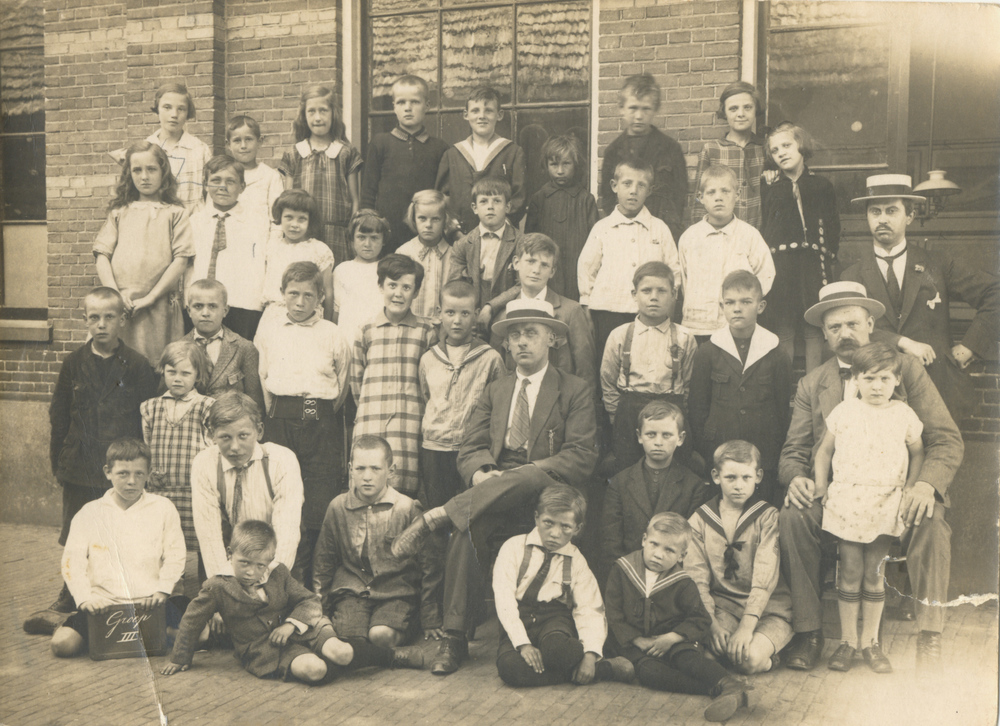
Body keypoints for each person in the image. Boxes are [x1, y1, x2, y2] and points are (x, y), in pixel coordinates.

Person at [392, 299, 598, 675]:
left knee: (528, 476)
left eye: (531, 333)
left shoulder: (573, 389)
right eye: (514, 335)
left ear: (551, 339)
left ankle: (438, 514)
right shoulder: (497, 390)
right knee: (466, 528)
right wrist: (481, 473)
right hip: (496, 494)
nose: (522, 342)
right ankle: (455, 639)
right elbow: (470, 447)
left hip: (548, 493)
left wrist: (527, 472)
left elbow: (581, 455)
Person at [778, 281, 963, 670]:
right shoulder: (814, 383)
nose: (844, 334)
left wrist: (924, 485)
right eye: (834, 327)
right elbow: (796, 449)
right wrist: (797, 477)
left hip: (897, 491)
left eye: (852, 324)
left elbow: (945, 439)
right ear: (824, 334)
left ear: (871, 325)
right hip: (837, 494)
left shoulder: (905, 370)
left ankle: (929, 634)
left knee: (930, 519)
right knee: (794, 516)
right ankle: (809, 632)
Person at [23, 287, 158, 636]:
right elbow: (59, 416)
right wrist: (59, 463)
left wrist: (141, 469)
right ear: (85, 320)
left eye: (109, 317)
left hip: (120, 469)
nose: (101, 324)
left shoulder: (138, 365)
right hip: (80, 466)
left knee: (119, 531)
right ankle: (70, 593)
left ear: (122, 320)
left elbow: (148, 421)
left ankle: (117, 594)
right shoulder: (73, 363)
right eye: (94, 317)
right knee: (76, 533)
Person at [162, 520, 425, 681]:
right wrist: (179, 657)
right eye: (244, 563)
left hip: (304, 629)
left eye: (260, 565)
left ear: (270, 559)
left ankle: (391, 656)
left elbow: (310, 601)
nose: (252, 572)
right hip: (263, 649)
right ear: (230, 553)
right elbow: (192, 620)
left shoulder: (278, 573)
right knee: (315, 671)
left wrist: (290, 624)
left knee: (342, 652)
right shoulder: (217, 586)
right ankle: (337, 659)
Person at [841, 173, 1000, 424]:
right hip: (878, 394)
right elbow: (851, 330)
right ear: (867, 217)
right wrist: (902, 342)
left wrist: (970, 346)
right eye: (875, 211)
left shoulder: (938, 263)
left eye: (892, 211)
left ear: (910, 216)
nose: (882, 219)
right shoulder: (852, 276)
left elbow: (995, 293)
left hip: (937, 386)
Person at [814, 342, 925, 674]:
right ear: (856, 379)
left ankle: (870, 643)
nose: (877, 386)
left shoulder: (903, 414)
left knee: (875, 575)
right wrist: (821, 485)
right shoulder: (845, 411)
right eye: (869, 378)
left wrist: (910, 487)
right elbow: (824, 452)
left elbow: (918, 452)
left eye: (885, 379)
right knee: (849, 572)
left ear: (897, 380)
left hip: (885, 500)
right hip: (848, 500)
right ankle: (847, 641)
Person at [604, 512, 756, 722]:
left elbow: (700, 618)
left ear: (682, 555)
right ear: (644, 540)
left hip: (674, 638)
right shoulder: (622, 570)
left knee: (688, 659)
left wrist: (672, 637)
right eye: (654, 544)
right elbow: (613, 612)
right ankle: (721, 691)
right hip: (636, 643)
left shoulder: (683, 582)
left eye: (669, 550)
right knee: (650, 674)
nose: (658, 554)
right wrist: (637, 640)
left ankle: (728, 683)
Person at [255, 261, 352, 589]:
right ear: (282, 294)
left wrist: (317, 413)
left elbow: (342, 382)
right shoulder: (269, 331)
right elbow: (264, 378)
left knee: (318, 504)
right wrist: (283, 413)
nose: (299, 302)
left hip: (320, 424)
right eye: (293, 294)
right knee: (280, 499)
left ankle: (314, 586)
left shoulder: (332, 333)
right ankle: (281, 582)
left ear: (320, 297)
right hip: (280, 421)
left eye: (308, 295)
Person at [51, 438, 186, 658]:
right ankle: (117, 633)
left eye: (139, 474)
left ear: (148, 474)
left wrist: (162, 590)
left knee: (198, 637)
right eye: (123, 473)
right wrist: (86, 599)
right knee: (62, 645)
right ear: (108, 472)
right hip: (105, 605)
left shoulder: (163, 508)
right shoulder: (89, 512)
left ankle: (149, 633)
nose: (131, 481)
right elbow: (72, 562)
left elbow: (176, 555)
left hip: (151, 603)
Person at [493, 483, 633, 687]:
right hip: (519, 618)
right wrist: (523, 644)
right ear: (536, 518)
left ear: (577, 529)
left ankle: (585, 666)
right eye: (548, 523)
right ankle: (602, 670)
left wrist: (590, 655)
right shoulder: (513, 548)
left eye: (565, 527)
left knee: (563, 651)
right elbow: (504, 599)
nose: (555, 533)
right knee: (510, 668)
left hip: (554, 620)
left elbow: (589, 608)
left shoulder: (576, 560)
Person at [313, 436, 443, 648]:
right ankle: (386, 656)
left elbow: (429, 565)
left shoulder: (406, 508)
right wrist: (321, 611)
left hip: (396, 593)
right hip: (352, 593)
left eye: (375, 469)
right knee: (349, 640)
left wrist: (430, 616)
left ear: (391, 471)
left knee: (380, 636)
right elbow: (323, 563)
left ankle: (404, 636)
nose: (367, 477)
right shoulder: (337, 507)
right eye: (360, 468)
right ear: (350, 469)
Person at [686, 441, 793, 676]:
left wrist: (746, 628)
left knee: (748, 660)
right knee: (706, 656)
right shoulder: (700, 520)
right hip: (723, 607)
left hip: (769, 610)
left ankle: (772, 656)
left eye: (746, 477)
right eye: (730, 478)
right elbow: (697, 578)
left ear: (758, 476)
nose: (738, 486)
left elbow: (765, 577)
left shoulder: (767, 517)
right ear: (716, 476)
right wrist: (712, 624)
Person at [688, 270, 791, 506]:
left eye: (746, 302)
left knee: (761, 507)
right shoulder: (708, 351)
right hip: (719, 447)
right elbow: (697, 407)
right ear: (721, 306)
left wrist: (773, 451)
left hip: (763, 450)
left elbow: (781, 408)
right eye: (730, 302)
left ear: (760, 306)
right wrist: (707, 448)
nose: (737, 308)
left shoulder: (776, 353)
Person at [94, 140, 195, 364]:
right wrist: (115, 295)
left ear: (163, 172)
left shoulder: (175, 213)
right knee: (115, 362)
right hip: (122, 303)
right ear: (129, 174)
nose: (144, 177)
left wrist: (151, 297)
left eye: (151, 169)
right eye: (137, 170)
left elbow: (181, 260)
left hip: (158, 304)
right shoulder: (119, 212)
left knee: (155, 364)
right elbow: (102, 256)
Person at [190, 392, 304, 579]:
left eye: (243, 436)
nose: (235, 447)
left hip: (276, 560)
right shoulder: (204, 463)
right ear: (212, 435)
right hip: (227, 558)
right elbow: (209, 535)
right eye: (225, 437)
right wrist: (227, 584)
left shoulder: (282, 460)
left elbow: (287, 533)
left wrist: (267, 581)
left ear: (259, 431)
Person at [352, 254, 437, 498]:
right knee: (367, 485)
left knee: (403, 490)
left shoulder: (427, 332)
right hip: (371, 421)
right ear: (381, 286)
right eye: (392, 285)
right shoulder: (366, 330)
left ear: (416, 292)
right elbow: (356, 381)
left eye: (406, 287)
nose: (398, 293)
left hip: (408, 425)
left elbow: (430, 383)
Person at [759, 122, 840, 373]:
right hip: (782, 267)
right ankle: (783, 386)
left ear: (801, 146)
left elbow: (833, 226)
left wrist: (826, 255)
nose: (781, 153)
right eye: (775, 150)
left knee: (813, 325)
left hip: (813, 267)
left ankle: (813, 383)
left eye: (786, 145)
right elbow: (765, 224)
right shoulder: (770, 186)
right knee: (784, 326)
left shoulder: (821, 185)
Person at [600, 262, 696, 474]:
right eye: (646, 291)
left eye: (661, 291)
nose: (654, 297)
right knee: (628, 471)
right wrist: (618, 417)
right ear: (634, 294)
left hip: (671, 410)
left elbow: (689, 384)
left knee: (675, 470)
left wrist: (680, 416)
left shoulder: (685, 337)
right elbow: (608, 381)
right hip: (629, 413)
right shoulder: (620, 335)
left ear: (674, 294)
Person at [418, 280, 506, 510]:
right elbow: (426, 397)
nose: (457, 320)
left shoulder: (490, 358)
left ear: (476, 314)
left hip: (473, 450)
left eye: (465, 313)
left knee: (470, 512)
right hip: (434, 449)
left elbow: (499, 407)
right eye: (450, 312)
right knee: (438, 511)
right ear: (439, 313)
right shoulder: (429, 358)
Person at [580, 160, 681, 356]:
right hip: (607, 311)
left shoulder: (659, 228)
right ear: (614, 186)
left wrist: (668, 307)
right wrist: (586, 306)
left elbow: (673, 271)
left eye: (641, 185)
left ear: (649, 190)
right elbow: (586, 269)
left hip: (649, 313)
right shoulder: (603, 228)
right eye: (627, 184)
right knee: (610, 361)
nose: (633, 191)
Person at [601, 401, 713, 577]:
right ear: (639, 436)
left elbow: (691, 545)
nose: (658, 442)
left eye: (667, 435)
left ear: (680, 438)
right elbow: (611, 543)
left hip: (673, 577)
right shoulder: (619, 483)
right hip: (628, 574)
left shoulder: (693, 486)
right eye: (651, 434)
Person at [141, 340, 215, 596]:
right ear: (162, 371)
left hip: (194, 492)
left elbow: (213, 448)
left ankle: (210, 593)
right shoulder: (150, 407)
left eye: (186, 373)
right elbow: (148, 445)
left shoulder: (206, 407)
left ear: (198, 375)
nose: (177, 378)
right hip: (162, 491)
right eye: (171, 372)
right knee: (166, 543)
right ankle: (171, 593)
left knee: (205, 543)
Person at [489, 233, 597, 395]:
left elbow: (586, 371)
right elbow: (497, 373)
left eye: (544, 265)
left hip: (560, 400)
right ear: (516, 263)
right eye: (531, 261)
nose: (536, 270)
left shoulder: (571, 311)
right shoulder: (504, 316)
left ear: (552, 271)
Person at [678, 165, 774, 339]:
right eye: (711, 192)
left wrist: (745, 305)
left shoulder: (749, 235)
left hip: (736, 328)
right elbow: (684, 280)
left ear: (737, 195)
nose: (718, 197)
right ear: (701, 197)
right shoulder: (690, 237)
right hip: (697, 326)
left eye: (725, 191)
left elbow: (765, 275)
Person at [361, 75, 449, 255]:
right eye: (401, 102)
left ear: (427, 105)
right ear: (394, 106)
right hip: (387, 231)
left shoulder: (439, 148)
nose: (408, 108)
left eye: (415, 102)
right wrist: (369, 225)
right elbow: (368, 191)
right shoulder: (380, 143)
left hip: (425, 231)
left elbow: (443, 194)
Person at [279, 85, 362, 265]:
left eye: (323, 110)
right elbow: (287, 200)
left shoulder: (345, 152)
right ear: (304, 115)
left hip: (337, 235)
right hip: (303, 234)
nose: (318, 117)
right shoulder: (295, 153)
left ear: (333, 113)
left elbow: (355, 200)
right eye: (311, 111)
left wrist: (352, 233)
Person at [599, 73, 687, 240]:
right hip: (625, 234)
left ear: (655, 109)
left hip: (662, 232)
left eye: (646, 109)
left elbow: (679, 197)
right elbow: (608, 199)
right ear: (622, 109)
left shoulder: (670, 149)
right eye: (633, 108)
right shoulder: (613, 152)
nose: (639, 116)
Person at [187, 155, 266, 340]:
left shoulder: (257, 222)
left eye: (230, 181)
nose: (222, 186)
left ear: (242, 187)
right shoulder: (194, 222)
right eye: (216, 180)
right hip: (202, 306)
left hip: (242, 304)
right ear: (205, 185)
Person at [435, 85, 526, 234]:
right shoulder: (452, 155)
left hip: (500, 234)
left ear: (499, 115)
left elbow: (519, 197)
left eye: (488, 110)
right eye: (475, 110)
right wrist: (454, 230)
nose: (481, 116)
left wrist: (500, 228)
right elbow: (442, 197)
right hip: (460, 235)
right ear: (466, 115)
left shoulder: (513, 152)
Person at [111, 82, 212, 211]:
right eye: (167, 107)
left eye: (181, 109)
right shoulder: (145, 150)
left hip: (192, 220)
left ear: (188, 112)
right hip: (156, 219)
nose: (174, 114)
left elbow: (210, 193)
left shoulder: (200, 149)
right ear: (157, 109)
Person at [524, 134, 599, 301]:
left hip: (577, 269)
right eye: (554, 164)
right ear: (546, 165)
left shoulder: (586, 200)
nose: (560, 171)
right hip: (546, 269)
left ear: (576, 164)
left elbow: (596, 242)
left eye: (566, 164)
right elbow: (530, 240)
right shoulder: (539, 199)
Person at [446, 178, 522, 333]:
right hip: (472, 314)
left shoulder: (520, 242)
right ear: (475, 208)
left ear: (507, 207)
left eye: (497, 201)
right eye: (484, 201)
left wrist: (491, 307)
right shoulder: (463, 244)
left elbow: (522, 285)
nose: (490, 207)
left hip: (508, 313)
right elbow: (455, 286)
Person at [689, 82, 767, 229]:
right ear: (724, 112)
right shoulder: (711, 150)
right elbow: (699, 201)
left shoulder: (766, 148)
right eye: (733, 108)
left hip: (759, 233)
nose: (741, 114)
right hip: (722, 234)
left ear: (756, 109)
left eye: (747, 107)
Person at [182, 278, 265, 413]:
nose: (205, 313)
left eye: (212, 306)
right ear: (188, 311)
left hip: (230, 421)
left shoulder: (244, 347)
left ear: (225, 311)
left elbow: (254, 402)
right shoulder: (178, 347)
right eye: (198, 306)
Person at [261, 189, 336, 325]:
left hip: (308, 316)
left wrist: (327, 324)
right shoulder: (271, 246)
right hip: (274, 315)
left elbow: (328, 292)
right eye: (289, 217)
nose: (294, 224)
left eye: (302, 219)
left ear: (310, 221)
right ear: (280, 217)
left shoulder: (319, 250)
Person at [396, 189, 457, 321]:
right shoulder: (403, 253)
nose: (428, 225)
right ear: (414, 218)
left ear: (445, 220)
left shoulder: (454, 255)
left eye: (435, 219)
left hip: (442, 326)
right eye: (422, 218)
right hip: (410, 324)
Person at [333, 209, 390, 343]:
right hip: (349, 336)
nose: (367, 244)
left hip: (378, 337)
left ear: (383, 240)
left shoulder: (387, 269)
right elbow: (336, 311)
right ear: (352, 239)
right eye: (361, 237)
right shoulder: (342, 270)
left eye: (374, 238)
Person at [226, 115, 283, 229]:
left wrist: (274, 240)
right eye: (237, 140)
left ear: (259, 142)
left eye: (248, 139)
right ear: (228, 145)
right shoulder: (224, 175)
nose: (243, 146)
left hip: (261, 238)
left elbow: (277, 220)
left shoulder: (270, 176)